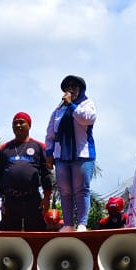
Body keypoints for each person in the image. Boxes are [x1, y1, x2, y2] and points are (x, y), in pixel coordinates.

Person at [44, 74, 97, 232]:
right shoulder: (58, 110)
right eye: (68, 87)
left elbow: (87, 119)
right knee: (65, 190)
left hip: (82, 154)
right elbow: (50, 133)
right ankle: (68, 224)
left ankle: (82, 224)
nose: (71, 89)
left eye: (74, 86)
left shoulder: (87, 104)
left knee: (81, 190)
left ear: (80, 89)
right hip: (61, 156)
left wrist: (71, 106)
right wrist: (49, 154)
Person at [0, 111, 52, 232]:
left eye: (21, 122)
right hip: (10, 199)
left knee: (36, 234)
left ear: (29, 125)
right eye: (15, 123)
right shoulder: (4, 148)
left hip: (32, 198)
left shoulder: (39, 146)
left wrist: (47, 197)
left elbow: (46, 173)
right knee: (9, 236)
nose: (18, 125)